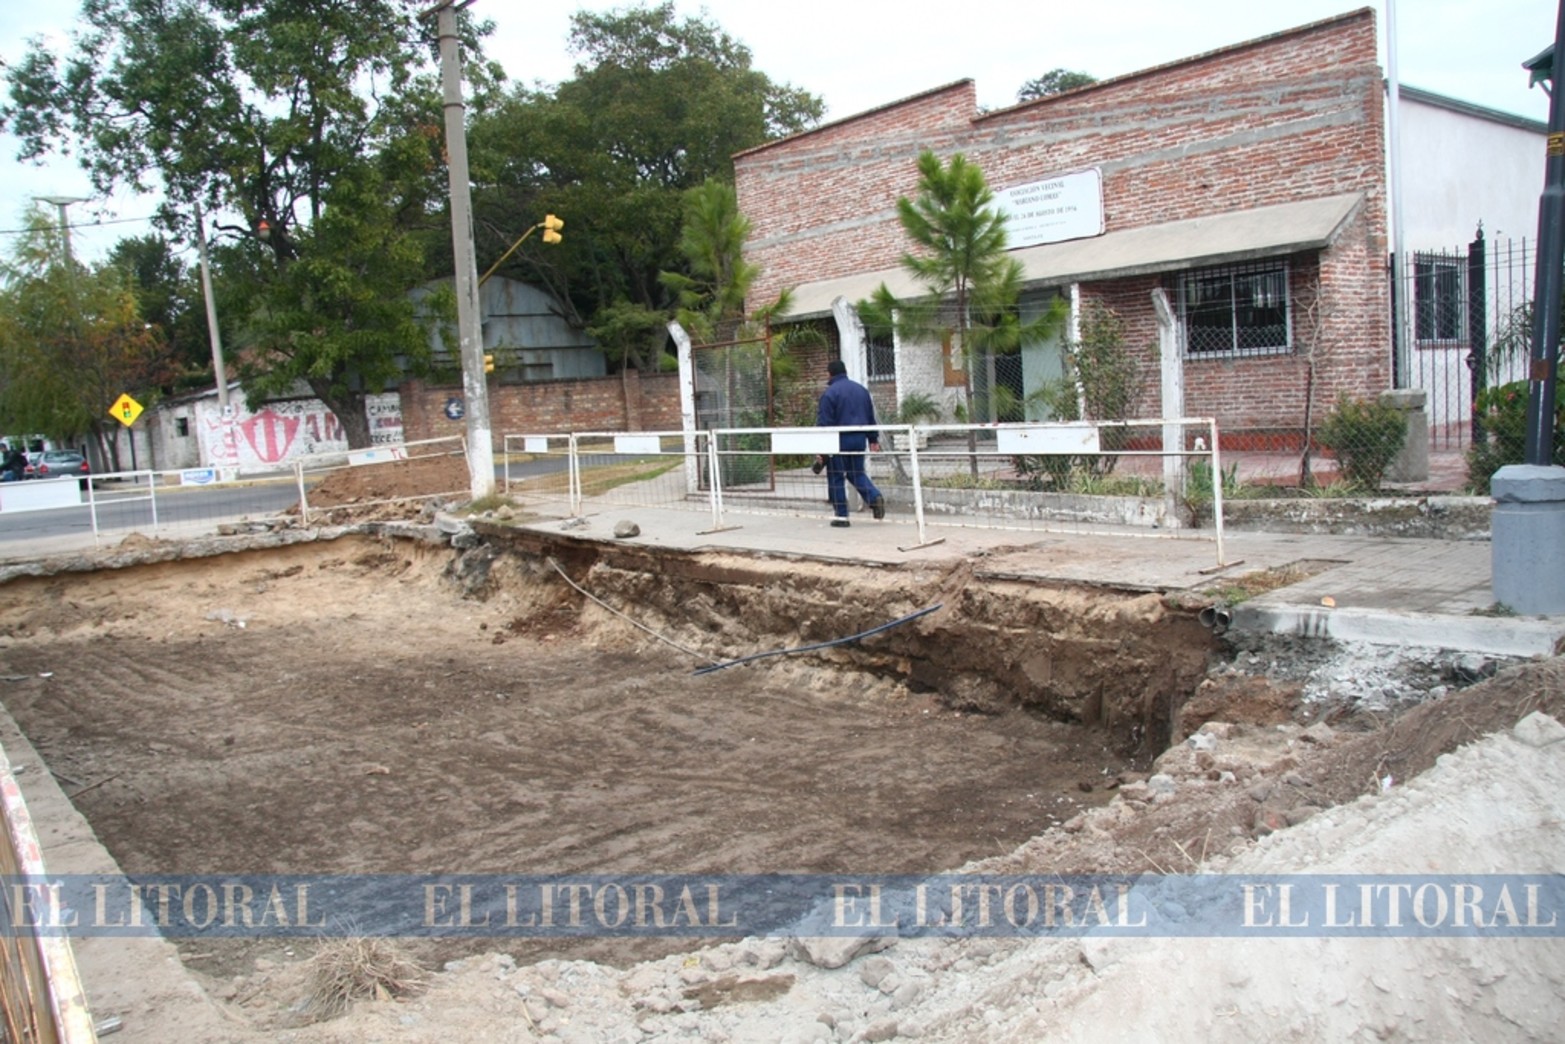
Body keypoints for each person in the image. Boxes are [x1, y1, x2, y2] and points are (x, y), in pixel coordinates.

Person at [815, 359, 885, 527]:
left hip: (838, 441)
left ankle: (842, 516)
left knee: (836, 476)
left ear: (829, 373)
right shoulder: (862, 391)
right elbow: (870, 418)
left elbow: (824, 424)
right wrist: (873, 439)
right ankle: (874, 496)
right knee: (856, 473)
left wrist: (821, 448)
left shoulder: (830, 394)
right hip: (859, 439)